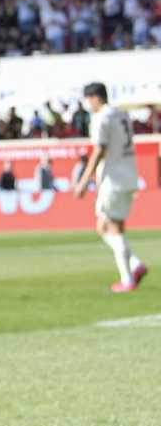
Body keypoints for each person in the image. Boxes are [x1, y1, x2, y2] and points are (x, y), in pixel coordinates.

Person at [73, 82, 147, 292]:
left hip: (112, 179)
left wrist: (84, 181)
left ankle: (128, 279)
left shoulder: (101, 118)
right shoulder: (122, 115)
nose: (88, 104)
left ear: (96, 97)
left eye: (89, 99)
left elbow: (99, 150)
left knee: (110, 227)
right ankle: (135, 265)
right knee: (109, 227)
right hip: (129, 175)